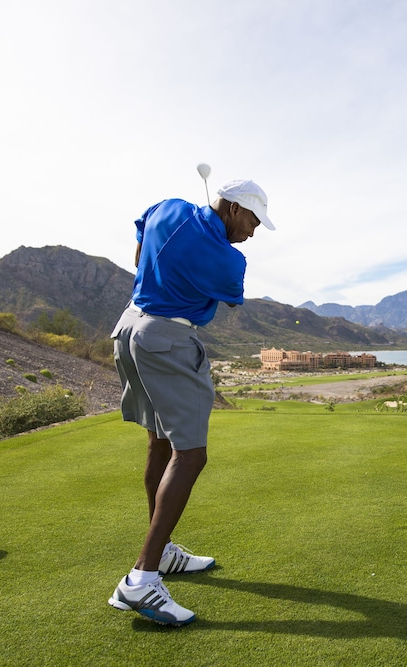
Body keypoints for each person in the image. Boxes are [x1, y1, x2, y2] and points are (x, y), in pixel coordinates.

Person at [107, 178, 275, 626]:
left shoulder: (168, 206)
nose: (253, 232)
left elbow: (140, 244)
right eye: (253, 221)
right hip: (167, 340)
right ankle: (141, 579)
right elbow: (230, 300)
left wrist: (154, 274)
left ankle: (161, 553)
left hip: (129, 328)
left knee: (160, 442)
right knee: (191, 455)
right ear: (234, 208)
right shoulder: (230, 259)